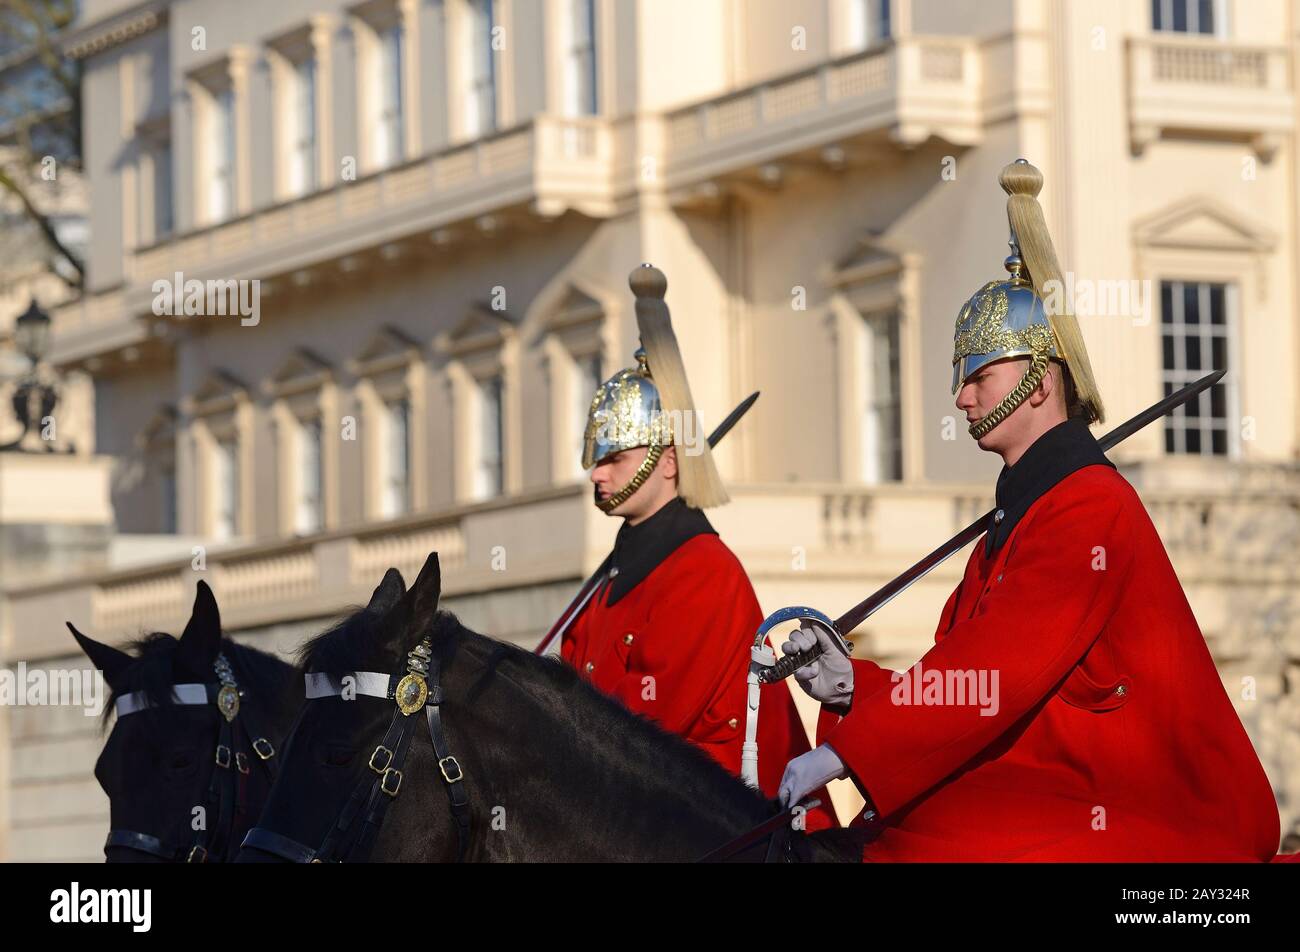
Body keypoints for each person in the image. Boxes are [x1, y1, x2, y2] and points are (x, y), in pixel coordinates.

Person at [777, 160, 1282, 860]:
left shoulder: (1088, 506)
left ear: (1041, 383)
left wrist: (849, 754)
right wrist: (851, 686)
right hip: (1060, 786)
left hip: (1156, 817)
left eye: (981, 377)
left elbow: (999, 667)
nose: (962, 400)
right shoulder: (1013, 526)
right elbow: (964, 678)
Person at [557, 264, 832, 826]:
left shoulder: (702, 571)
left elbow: (641, 729)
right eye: (596, 461)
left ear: (668, 461)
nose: (596, 477)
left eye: (614, 459)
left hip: (715, 826)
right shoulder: (617, 575)